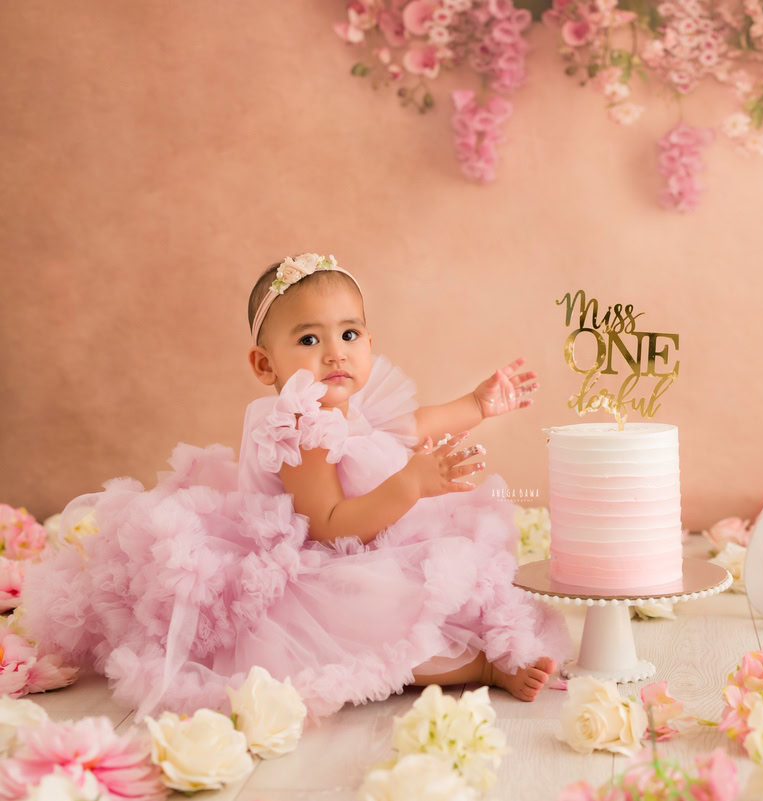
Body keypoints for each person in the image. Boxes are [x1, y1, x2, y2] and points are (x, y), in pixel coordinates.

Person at [23, 253, 571, 719]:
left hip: (369, 541)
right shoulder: (298, 425)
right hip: (307, 566)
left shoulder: (353, 405)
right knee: (369, 617)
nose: (335, 352)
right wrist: (410, 485)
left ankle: (477, 641)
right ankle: (476, 666)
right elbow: (328, 526)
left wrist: (477, 403)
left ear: (368, 343)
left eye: (349, 334)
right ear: (265, 365)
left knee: (455, 570)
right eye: (310, 339)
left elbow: (417, 424)